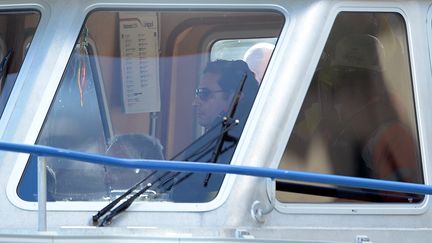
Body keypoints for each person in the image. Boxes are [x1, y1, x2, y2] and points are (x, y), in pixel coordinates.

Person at [170, 59, 259, 202]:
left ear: (235, 98)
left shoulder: (228, 139)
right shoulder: (235, 132)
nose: (195, 102)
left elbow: (184, 193)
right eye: (197, 93)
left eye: (204, 94)